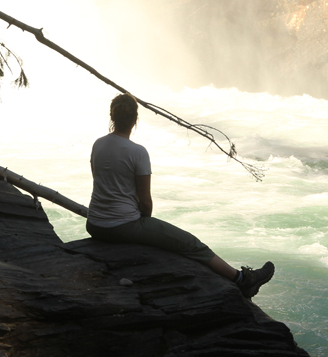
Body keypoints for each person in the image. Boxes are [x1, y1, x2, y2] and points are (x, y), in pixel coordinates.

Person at [86, 93, 275, 298]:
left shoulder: (98, 144)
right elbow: (146, 203)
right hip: (121, 226)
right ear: (135, 119)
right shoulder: (137, 152)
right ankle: (243, 280)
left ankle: (242, 279)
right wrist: (143, 224)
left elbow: (98, 181)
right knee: (190, 243)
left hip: (95, 225)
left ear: (112, 117)